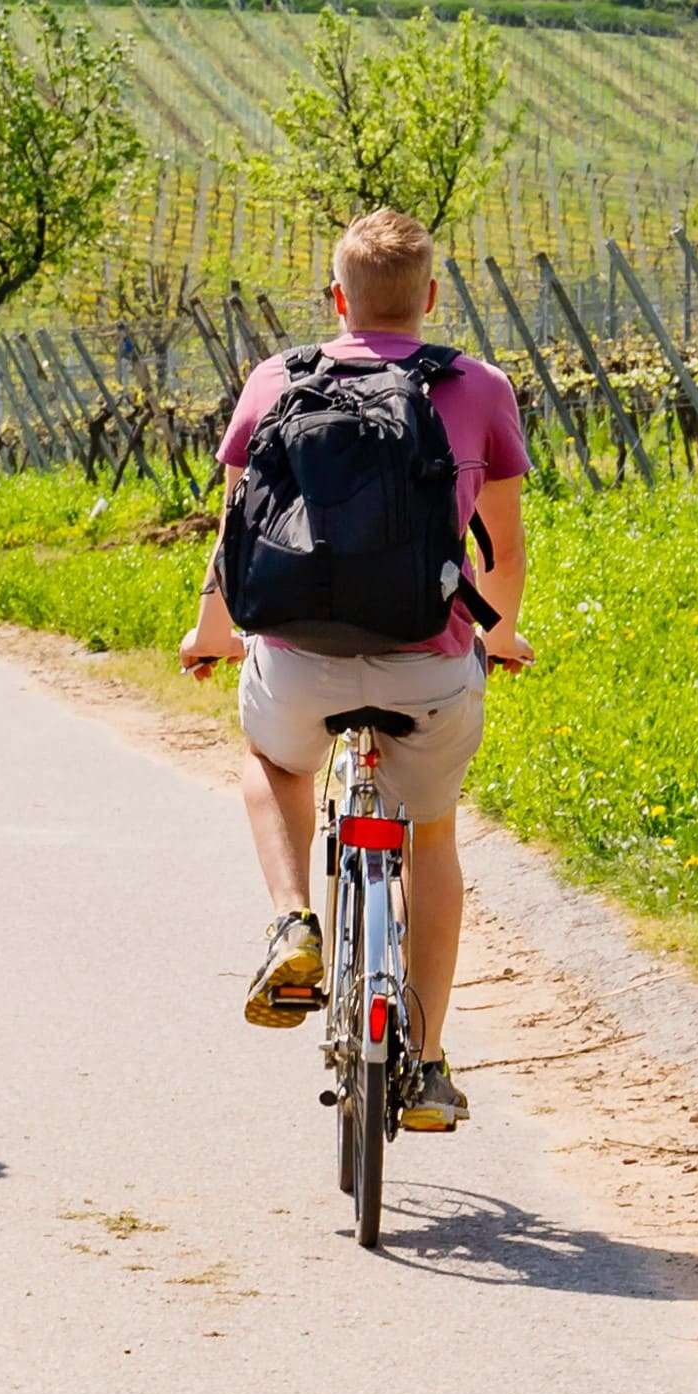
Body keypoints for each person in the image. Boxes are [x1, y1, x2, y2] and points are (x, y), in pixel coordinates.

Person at [178, 206, 530, 1134]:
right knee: (433, 838)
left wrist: (210, 633)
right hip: (429, 664)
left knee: (273, 761)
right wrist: (497, 635)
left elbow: (236, 536)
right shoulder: (479, 387)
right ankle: (428, 1060)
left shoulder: (275, 380)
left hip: (299, 661)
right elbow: (506, 553)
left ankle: (295, 922)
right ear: (432, 298)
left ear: (337, 298)